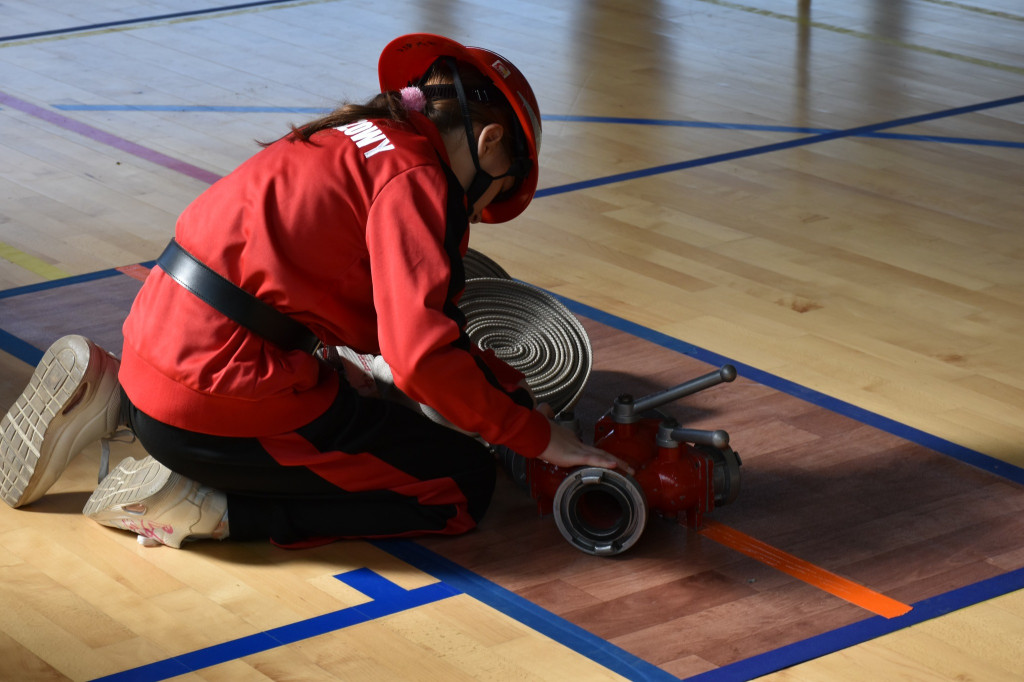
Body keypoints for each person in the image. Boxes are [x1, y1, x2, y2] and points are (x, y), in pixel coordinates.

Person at [0, 34, 625, 549]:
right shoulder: (417, 178)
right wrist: (539, 438)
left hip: (154, 343)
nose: (479, 215)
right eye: (495, 195)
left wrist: (508, 395)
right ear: (491, 145)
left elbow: (360, 316)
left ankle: (114, 394)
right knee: (458, 485)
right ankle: (204, 508)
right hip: (211, 400)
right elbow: (419, 357)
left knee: (352, 392)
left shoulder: (353, 137)